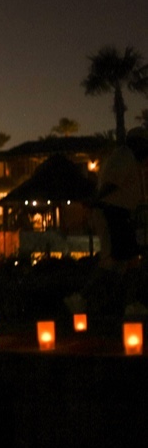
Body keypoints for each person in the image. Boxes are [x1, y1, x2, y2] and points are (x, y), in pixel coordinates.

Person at [66, 127, 148, 315]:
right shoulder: (124, 157)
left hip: (118, 213)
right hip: (112, 213)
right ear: (137, 143)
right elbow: (112, 183)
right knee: (114, 262)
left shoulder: (128, 158)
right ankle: (81, 298)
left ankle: (128, 304)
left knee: (127, 262)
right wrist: (96, 200)